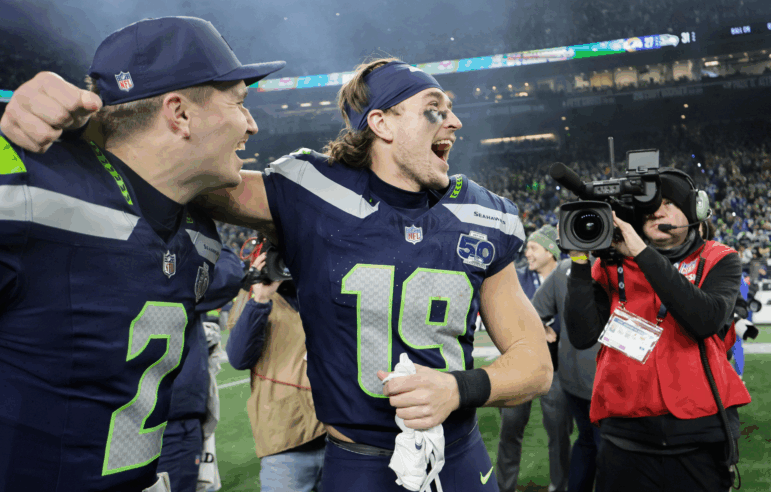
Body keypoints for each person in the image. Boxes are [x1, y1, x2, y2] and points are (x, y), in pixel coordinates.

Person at [1, 57, 554, 492]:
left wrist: (461, 386)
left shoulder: (482, 212)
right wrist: (74, 123)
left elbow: (534, 362)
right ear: (381, 123)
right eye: (435, 108)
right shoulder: (310, 192)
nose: (454, 120)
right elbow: (165, 163)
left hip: (457, 455)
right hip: (358, 462)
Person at [0, 16, 284, 492]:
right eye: (240, 103)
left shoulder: (198, 232)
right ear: (179, 113)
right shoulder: (29, 189)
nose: (252, 124)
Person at [565, 168, 752, 492]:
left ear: (695, 210)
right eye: (649, 204)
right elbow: (582, 336)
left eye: (668, 202)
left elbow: (704, 320)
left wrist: (640, 251)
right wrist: (580, 263)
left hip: (699, 433)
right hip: (625, 435)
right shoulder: (609, 264)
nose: (656, 209)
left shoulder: (719, 259)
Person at [226, 245, 326, 492]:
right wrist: (260, 297)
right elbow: (238, 358)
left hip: (337, 438)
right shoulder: (256, 298)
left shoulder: (322, 294)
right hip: (285, 443)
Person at [157, 246, 244, 492]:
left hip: (160, 412)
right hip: (171, 416)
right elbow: (226, 278)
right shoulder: (167, 268)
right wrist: (214, 239)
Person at [496, 225, 572, 492]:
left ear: (551, 252)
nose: (526, 253)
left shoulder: (570, 276)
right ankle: (504, 487)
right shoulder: (515, 278)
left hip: (557, 368)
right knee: (509, 431)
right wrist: (539, 329)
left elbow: (581, 317)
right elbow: (503, 316)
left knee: (559, 434)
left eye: (533, 248)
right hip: (518, 367)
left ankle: (559, 486)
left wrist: (556, 329)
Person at [529, 250, 601, 492]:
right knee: (608, 450)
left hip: (574, 377)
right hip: (605, 381)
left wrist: (545, 328)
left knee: (587, 441)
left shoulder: (564, 269)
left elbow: (533, 312)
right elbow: (534, 314)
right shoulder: (566, 269)